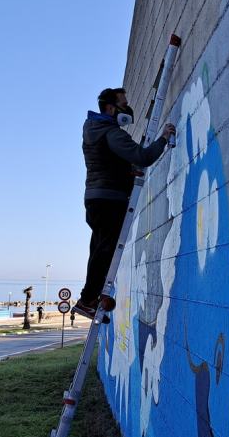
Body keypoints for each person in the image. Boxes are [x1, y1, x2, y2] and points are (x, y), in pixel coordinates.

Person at [74, 87, 175, 321]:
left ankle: (89, 298)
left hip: (96, 198)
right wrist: (164, 137)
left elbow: (108, 161)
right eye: (123, 104)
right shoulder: (111, 132)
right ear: (111, 109)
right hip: (110, 199)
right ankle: (88, 300)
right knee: (105, 251)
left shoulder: (93, 129)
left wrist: (127, 171)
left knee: (99, 250)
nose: (127, 108)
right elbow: (143, 157)